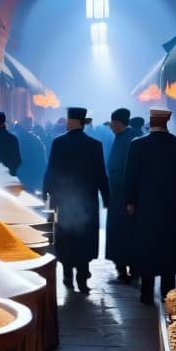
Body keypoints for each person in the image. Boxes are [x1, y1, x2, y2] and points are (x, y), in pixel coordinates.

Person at [125, 108, 176, 305]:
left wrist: (130, 201)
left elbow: (130, 176)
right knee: (169, 247)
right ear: (167, 121)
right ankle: (168, 292)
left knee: (148, 245)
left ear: (150, 121)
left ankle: (146, 293)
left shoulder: (137, 145)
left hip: (145, 204)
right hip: (173, 204)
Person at [42, 106, 109, 293]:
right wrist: (106, 197)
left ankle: (67, 274)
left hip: (63, 198)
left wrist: (46, 195)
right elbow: (100, 175)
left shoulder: (59, 143)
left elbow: (51, 171)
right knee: (84, 237)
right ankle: (83, 276)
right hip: (87, 199)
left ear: (71, 121)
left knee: (66, 236)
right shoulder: (94, 145)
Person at [105, 108, 136, 284]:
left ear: (117, 123)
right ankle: (122, 267)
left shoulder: (130, 138)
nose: (110, 125)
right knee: (120, 232)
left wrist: (129, 198)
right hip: (117, 195)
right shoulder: (120, 137)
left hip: (125, 195)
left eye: (112, 122)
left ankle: (127, 268)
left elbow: (130, 170)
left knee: (125, 233)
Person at [14, 116, 47, 195]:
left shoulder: (14, 137)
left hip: (18, 174)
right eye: (30, 123)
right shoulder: (34, 139)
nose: (32, 125)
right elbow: (40, 160)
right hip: (30, 175)